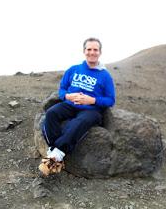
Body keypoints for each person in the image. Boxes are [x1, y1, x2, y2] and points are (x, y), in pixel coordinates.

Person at [39, 37, 115, 176]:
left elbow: (110, 100)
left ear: (100, 52)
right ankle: (54, 151)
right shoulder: (73, 69)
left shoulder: (105, 76)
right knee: (51, 113)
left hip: (91, 110)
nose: (92, 52)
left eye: (95, 50)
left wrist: (92, 100)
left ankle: (56, 155)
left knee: (79, 123)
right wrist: (67, 96)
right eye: (89, 49)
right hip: (70, 104)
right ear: (84, 51)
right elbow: (62, 89)